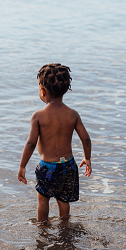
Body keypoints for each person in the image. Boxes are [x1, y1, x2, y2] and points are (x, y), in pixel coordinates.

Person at [18, 63, 92, 223]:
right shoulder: (73, 114)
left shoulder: (38, 116)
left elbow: (31, 143)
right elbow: (85, 138)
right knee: (63, 199)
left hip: (48, 168)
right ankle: (65, 225)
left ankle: (42, 229)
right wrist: (87, 158)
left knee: (43, 199)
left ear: (42, 91)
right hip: (69, 166)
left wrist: (22, 166)